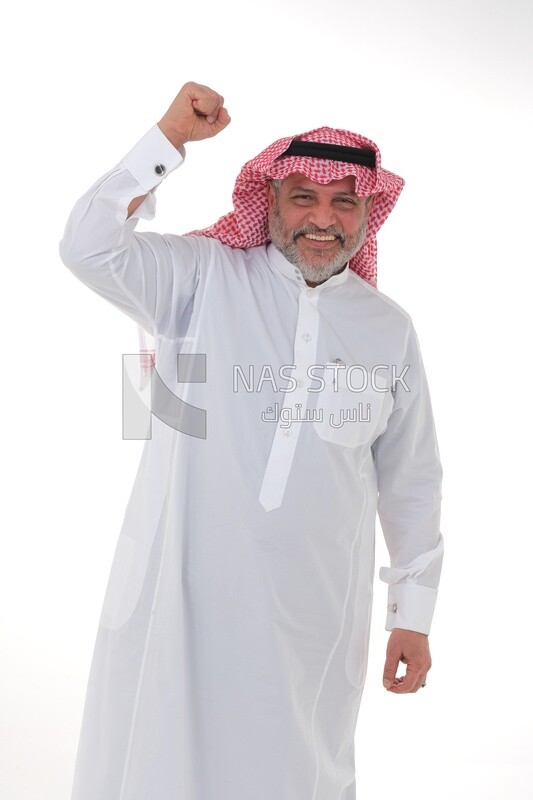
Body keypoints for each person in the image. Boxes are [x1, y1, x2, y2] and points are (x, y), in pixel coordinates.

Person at [59, 81, 444, 800]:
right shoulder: (198, 278)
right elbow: (87, 248)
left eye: (343, 202)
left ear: (369, 212)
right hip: (182, 603)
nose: (322, 220)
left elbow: (411, 479)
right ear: (267, 203)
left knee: (293, 774)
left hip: (312, 621)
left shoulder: (386, 328)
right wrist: (167, 138)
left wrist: (411, 617)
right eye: (302, 198)